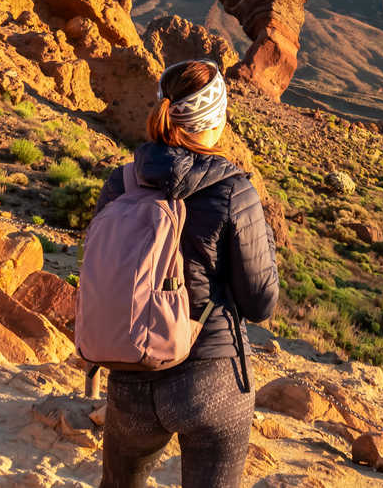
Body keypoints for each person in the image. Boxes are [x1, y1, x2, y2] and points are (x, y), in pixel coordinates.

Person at [95, 59, 278, 488]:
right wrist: (263, 240)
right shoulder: (233, 189)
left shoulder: (121, 182)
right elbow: (260, 303)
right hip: (209, 375)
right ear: (216, 118)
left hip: (130, 368)